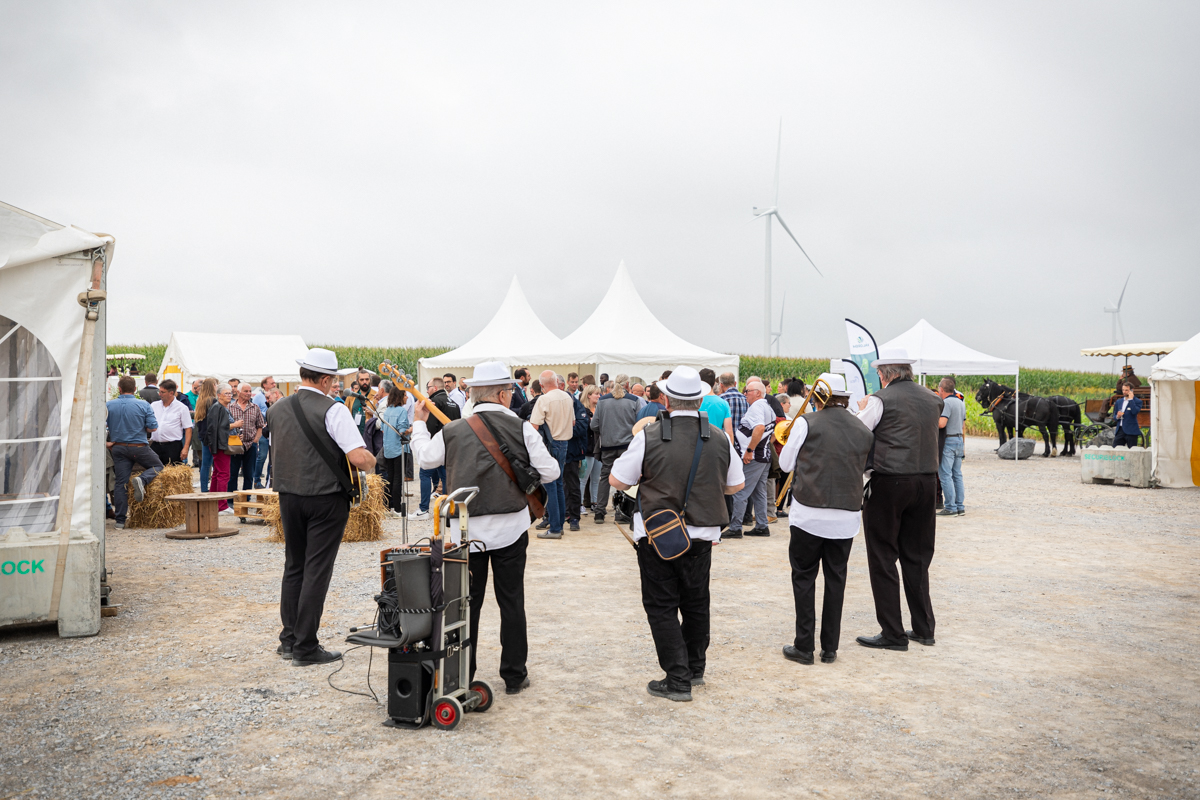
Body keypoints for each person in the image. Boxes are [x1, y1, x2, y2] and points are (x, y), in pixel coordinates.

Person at [410, 360, 559, 695]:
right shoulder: (523, 429)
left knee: (465, 605)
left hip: (466, 532)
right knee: (512, 602)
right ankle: (514, 676)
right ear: (505, 394)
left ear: (475, 394)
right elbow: (551, 472)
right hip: (511, 528)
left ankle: (462, 674)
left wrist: (419, 425)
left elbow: (425, 459)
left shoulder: (454, 430)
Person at [608, 366, 745, 702]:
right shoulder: (719, 436)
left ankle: (678, 678)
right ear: (700, 399)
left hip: (659, 533)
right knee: (697, 602)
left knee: (661, 605)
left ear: (666, 399)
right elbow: (736, 485)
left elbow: (617, 481)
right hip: (703, 532)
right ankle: (695, 667)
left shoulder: (649, 436)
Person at [267, 348, 376, 666]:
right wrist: (372, 460)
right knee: (316, 570)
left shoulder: (277, 408)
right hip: (325, 497)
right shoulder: (334, 409)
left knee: (294, 567)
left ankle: (288, 640)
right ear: (326, 379)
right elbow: (358, 457)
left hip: (288, 495)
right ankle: (305, 646)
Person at [852, 349, 943, 652]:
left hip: (890, 480)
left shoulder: (881, 399)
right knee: (917, 556)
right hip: (927, 481)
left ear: (885, 374)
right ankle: (924, 627)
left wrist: (863, 406)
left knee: (883, 556)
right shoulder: (933, 399)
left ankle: (892, 632)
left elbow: (857, 431)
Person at [777, 389, 874, 666]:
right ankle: (829, 648)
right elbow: (867, 470)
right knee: (836, 580)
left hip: (808, 513)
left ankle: (803, 647)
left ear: (819, 398)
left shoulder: (808, 422)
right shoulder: (863, 427)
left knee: (804, 578)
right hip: (846, 517)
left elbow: (785, 464)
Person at [106, 376, 164, 529]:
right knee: (158, 466)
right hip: (139, 446)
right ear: (135, 389)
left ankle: (119, 521)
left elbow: (98, 426)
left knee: (120, 483)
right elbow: (153, 428)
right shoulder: (143, 405)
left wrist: (107, 443)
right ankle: (143, 479)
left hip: (118, 447)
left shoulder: (109, 405)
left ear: (119, 389)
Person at [725, 380, 775, 539]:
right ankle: (761, 525)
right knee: (759, 492)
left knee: (740, 491)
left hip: (753, 457)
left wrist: (749, 450)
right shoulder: (767, 406)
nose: (745, 394)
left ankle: (735, 527)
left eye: (748, 391)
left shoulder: (757, 406)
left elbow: (759, 428)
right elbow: (771, 432)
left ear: (758, 393)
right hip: (763, 456)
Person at [589, 374, 641, 524]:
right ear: (627, 385)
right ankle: (623, 510)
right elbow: (639, 424)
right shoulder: (634, 401)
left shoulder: (603, 401)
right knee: (628, 477)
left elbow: (594, 425)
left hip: (607, 445)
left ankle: (599, 512)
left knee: (604, 477)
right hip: (627, 446)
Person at [531, 370, 575, 539]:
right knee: (558, 486)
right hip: (564, 444)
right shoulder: (567, 397)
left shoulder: (544, 399)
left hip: (551, 445)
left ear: (541, 386)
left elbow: (534, 426)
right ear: (557, 381)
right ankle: (559, 526)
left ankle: (555, 528)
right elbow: (572, 422)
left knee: (551, 486)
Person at [413, 377, 461, 520]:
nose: (426, 391)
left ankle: (423, 509)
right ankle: (446, 507)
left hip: (436, 445)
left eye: (428, 388)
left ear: (434, 388)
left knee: (425, 474)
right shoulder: (454, 404)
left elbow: (430, 426)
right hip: (450, 446)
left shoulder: (434, 403)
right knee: (446, 477)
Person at [379, 384, 412, 517]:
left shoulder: (387, 411)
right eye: (405, 395)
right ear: (400, 396)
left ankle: (389, 506)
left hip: (388, 448)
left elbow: (382, 428)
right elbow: (402, 431)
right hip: (399, 448)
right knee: (398, 478)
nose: (407, 397)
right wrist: (411, 429)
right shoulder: (401, 411)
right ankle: (398, 508)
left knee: (390, 477)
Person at [203, 383, 237, 514]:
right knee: (224, 474)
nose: (229, 395)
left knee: (218, 473)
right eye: (226, 393)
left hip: (220, 444)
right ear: (218, 395)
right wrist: (235, 425)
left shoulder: (221, 407)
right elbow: (216, 428)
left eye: (230, 393)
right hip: (220, 445)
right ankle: (221, 505)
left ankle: (214, 502)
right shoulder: (217, 407)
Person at [935, 378, 967, 517]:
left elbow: (942, 423)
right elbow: (963, 424)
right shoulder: (960, 403)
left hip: (948, 441)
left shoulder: (947, 403)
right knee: (957, 475)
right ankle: (960, 506)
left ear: (941, 389)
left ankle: (950, 507)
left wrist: (928, 420)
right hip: (959, 439)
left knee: (945, 474)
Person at [228, 383, 266, 492]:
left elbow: (260, 426)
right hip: (234, 446)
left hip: (250, 445)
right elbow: (225, 425)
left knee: (249, 475)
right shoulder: (230, 407)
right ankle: (231, 500)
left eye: (250, 391)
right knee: (232, 474)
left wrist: (255, 441)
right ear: (238, 392)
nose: (249, 393)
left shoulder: (255, 408)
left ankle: (246, 498)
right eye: (246, 391)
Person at [564, 381, 591, 531]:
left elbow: (581, 428)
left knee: (573, 486)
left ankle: (574, 517)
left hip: (572, 453)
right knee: (557, 486)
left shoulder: (577, 406)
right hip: (555, 452)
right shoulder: (555, 406)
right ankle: (555, 516)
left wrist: (561, 430)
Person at [148, 379, 192, 466]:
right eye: (159, 391)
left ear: (171, 393)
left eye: (162, 392)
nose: (159, 394)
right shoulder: (154, 405)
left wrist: (186, 448)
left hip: (173, 447)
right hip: (155, 445)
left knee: (171, 475)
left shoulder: (182, 408)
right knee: (154, 473)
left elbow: (188, 429)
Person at [579, 385, 601, 515]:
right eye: (596, 394)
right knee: (583, 479)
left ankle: (595, 502)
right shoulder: (582, 410)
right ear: (589, 395)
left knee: (596, 478)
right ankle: (580, 503)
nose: (598, 396)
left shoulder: (599, 409)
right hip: (587, 449)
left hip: (598, 448)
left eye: (599, 394)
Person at [193, 378, 218, 491]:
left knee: (205, 464)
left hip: (203, 435)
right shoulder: (213, 401)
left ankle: (204, 489)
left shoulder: (200, 400)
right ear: (213, 385)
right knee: (214, 465)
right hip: (211, 436)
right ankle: (211, 489)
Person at [698, 369, 734, 441]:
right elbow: (729, 432)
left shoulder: (695, 402)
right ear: (714, 383)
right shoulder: (723, 403)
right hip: (717, 443)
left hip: (697, 444)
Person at [1113, 381, 1143, 448]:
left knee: (1132, 452)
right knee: (1116, 449)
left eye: (1126, 390)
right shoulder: (1119, 402)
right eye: (1123, 390)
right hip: (1120, 430)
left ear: (1132, 390)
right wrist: (1117, 416)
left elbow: (1134, 412)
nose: (1124, 392)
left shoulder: (1138, 401)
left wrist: (1131, 400)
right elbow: (1114, 416)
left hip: (1131, 431)